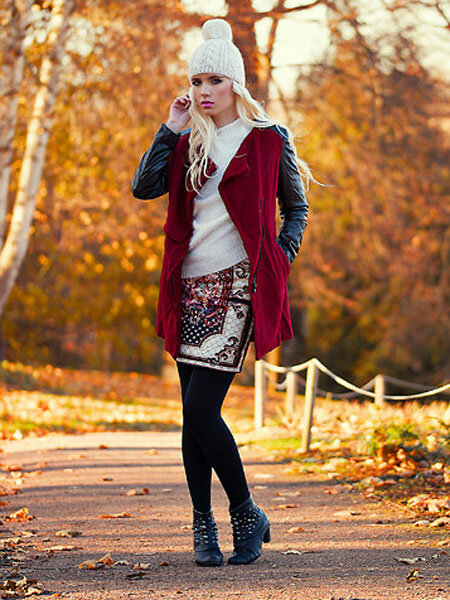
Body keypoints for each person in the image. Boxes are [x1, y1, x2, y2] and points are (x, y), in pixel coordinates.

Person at [132, 18, 311, 567]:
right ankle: (202, 526)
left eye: (214, 80)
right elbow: (143, 187)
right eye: (197, 81)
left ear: (235, 83)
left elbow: (296, 207)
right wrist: (170, 128)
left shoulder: (268, 138)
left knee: (201, 409)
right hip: (186, 287)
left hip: (236, 287)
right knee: (193, 416)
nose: (204, 90)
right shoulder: (189, 141)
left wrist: (280, 257)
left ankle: (245, 512)